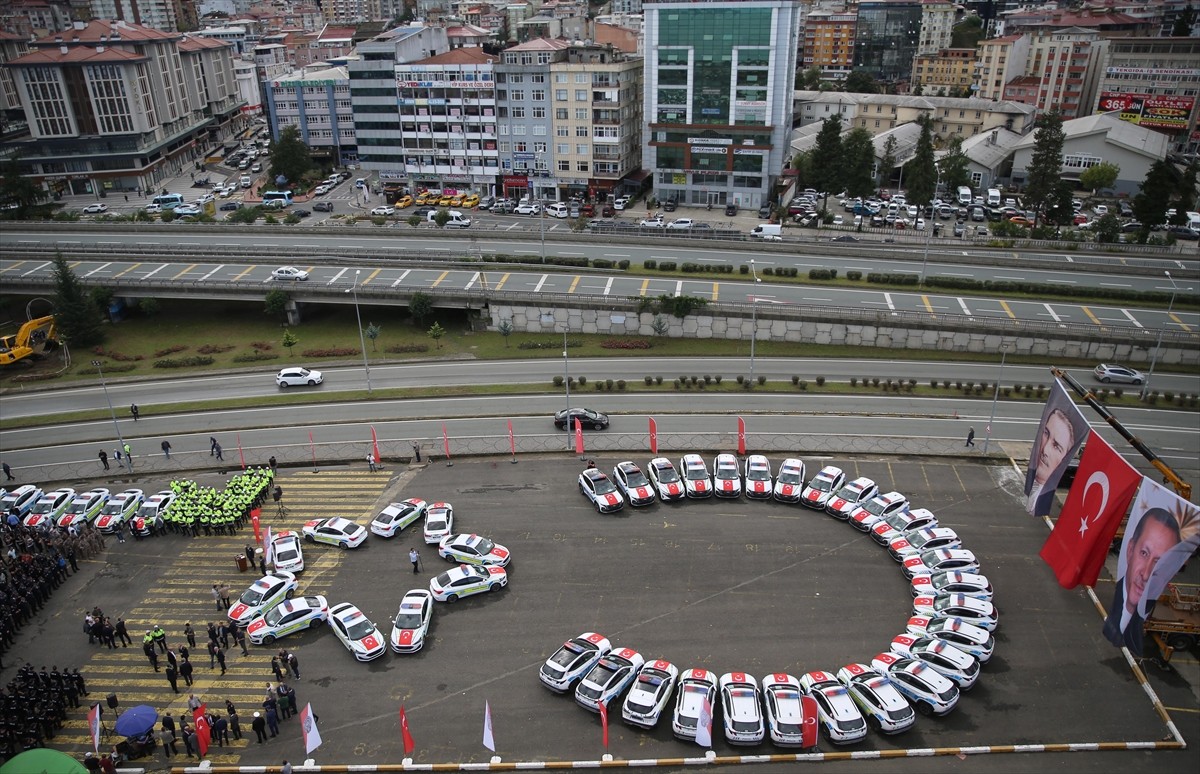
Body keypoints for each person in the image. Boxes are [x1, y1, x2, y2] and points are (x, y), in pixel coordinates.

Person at [1103, 507, 1184, 655]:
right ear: (1130, 550)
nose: (1146, 574)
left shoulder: (1144, 616)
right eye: (1144, 553)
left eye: (1159, 564)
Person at [1024, 406, 1080, 515]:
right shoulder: (1030, 484)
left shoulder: (1044, 497)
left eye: (1056, 446)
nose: (1044, 449)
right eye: (1046, 433)